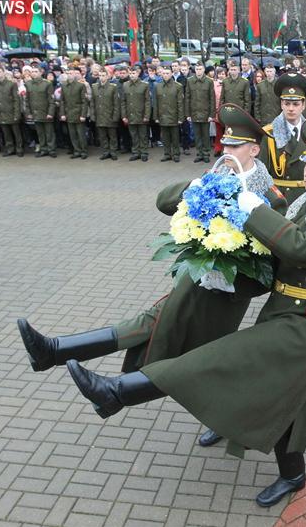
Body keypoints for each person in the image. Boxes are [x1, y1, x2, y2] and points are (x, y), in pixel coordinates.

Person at [63, 116, 306, 508]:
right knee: (295, 398)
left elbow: (301, 249)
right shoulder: (301, 206)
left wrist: (249, 205)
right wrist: (226, 277)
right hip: (282, 310)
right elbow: (272, 266)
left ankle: (118, 392)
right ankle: (293, 473)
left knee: (222, 359)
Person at [18, 103, 287, 449]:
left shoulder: (269, 195)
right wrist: (200, 184)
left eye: (235, 146)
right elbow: (164, 201)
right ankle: (55, 352)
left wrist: (233, 278)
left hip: (224, 296)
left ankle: (101, 381)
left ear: (254, 149)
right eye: (225, 144)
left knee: (204, 364)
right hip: (194, 281)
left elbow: (271, 261)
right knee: (149, 326)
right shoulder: (218, 179)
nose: (227, 151)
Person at [260, 72, 306, 203]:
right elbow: (262, 174)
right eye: (287, 103)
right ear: (281, 104)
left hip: (305, 197)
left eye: (295, 104)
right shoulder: (268, 134)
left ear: (303, 105)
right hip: (278, 198)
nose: (291, 109)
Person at [24, 66, 57, 157]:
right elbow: (27, 100)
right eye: (32, 71)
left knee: (49, 132)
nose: (33, 73)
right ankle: (43, 149)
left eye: (35, 71)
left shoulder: (47, 84)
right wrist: (28, 113)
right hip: (35, 113)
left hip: (45, 112)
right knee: (40, 133)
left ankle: (51, 149)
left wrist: (50, 113)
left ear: (40, 72)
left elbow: (51, 100)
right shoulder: (28, 84)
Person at [154, 65, 184, 162]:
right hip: (162, 115)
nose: (165, 75)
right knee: (165, 137)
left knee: (175, 137)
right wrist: (156, 116)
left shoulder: (178, 86)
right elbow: (155, 103)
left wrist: (180, 117)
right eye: (164, 73)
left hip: (174, 115)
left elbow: (180, 103)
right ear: (161, 74)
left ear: (171, 74)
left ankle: (176, 154)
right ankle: (167, 154)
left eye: (167, 73)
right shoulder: (158, 86)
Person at [0, 67, 24, 157]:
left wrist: (17, 113)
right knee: (6, 133)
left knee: (16, 132)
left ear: (4, 73)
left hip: (11, 112)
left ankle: (19, 148)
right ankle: (10, 148)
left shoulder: (11, 84)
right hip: (1, 112)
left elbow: (16, 100)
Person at [186, 63, 215, 163]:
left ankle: (206, 154)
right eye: (197, 69)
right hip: (194, 113)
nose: (198, 71)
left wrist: (212, 115)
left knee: (205, 135)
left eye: (200, 69)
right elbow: (187, 98)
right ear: (195, 70)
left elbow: (212, 99)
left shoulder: (209, 82)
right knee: (197, 135)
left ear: (203, 70)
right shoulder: (190, 81)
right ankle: (199, 153)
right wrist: (188, 114)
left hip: (205, 113)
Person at [121, 65, 151, 162]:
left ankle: (144, 152)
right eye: (130, 73)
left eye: (134, 73)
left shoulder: (144, 85)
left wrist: (147, 115)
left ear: (138, 74)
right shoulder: (125, 85)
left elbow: (147, 101)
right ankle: (136, 152)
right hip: (130, 115)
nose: (132, 75)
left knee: (143, 135)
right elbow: (123, 101)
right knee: (133, 135)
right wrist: (124, 116)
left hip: (141, 114)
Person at [91, 68, 121, 161]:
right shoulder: (94, 86)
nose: (101, 77)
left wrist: (115, 116)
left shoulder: (113, 87)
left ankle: (113, 152)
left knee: (112, 136)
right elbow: (92, 102)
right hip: (99, 115)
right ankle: (105, 151)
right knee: (102, 136)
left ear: (108, 76)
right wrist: (93, 115)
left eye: (103, 75)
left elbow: (116, 103)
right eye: (100, 75)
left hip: (110, 115)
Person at [60, 67, 90, 159]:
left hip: (78, 113)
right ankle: (77, 151)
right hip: (68, 113)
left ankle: (84, 151)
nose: (70, 75)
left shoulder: (80, 86)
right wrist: (62, 114)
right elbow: (62, 101)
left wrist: (83, 115)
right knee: (72, 134)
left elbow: (84, 102)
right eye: (68, 73)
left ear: (75, 74)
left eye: (71, 73)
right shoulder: (64, 85)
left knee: (81, 134)